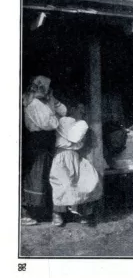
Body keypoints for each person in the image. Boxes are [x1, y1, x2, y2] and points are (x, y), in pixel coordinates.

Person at [22, 76, 67, 226]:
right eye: (45, 88)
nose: (46, 91)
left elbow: (64, 110)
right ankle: (30, 213)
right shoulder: (33, 102)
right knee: (37, 175)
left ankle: (53, 213)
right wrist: (55, 115)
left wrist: (52, 100)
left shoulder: (46, 101)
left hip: (48, 140)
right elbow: (49, 123)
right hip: (38, 141)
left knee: (52, 174)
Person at [49, 102, 102, 226]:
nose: (81, 113)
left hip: (74, 155)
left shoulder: (80, 124)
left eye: (83, 111)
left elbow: (77, 139)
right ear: (72, 108)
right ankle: (57, 213)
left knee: (86, 180)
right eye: (80, 109)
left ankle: (81, 212)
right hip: (62, 156)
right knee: (63, 184)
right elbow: (74, 137)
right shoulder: (65, 121)